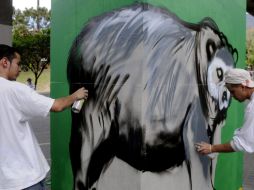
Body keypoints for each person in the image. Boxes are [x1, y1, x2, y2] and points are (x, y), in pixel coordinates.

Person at [0, 44, 88, 190]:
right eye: (18, 63)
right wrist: (75, 96)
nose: (20, 68)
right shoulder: (14, 89)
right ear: (4, 62)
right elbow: (56, 106)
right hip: (25, 179)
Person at [196, 68, 254, 155]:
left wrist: (212, 148)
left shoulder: (252, 108)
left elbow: (241, 143)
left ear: (242, 87)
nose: (232, 96)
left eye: (232, 92)